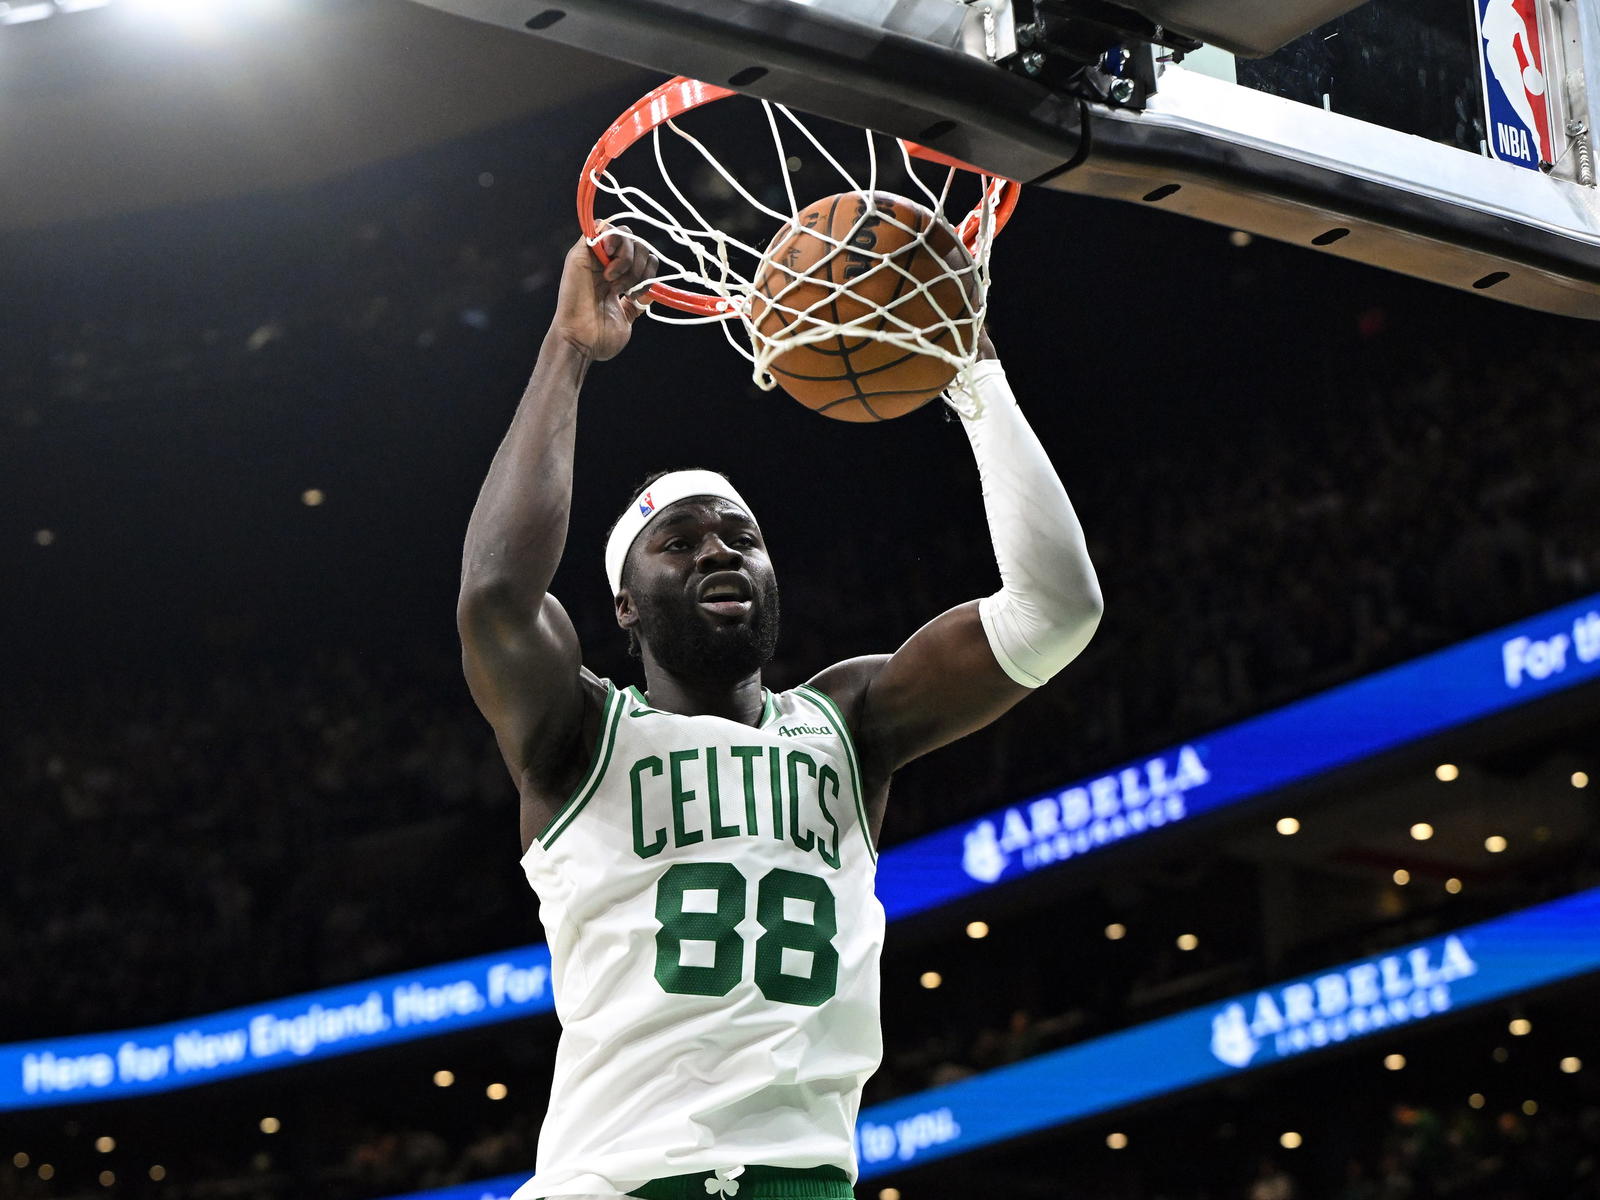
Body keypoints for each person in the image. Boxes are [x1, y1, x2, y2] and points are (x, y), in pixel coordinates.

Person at [456, 228, 1103, 1200]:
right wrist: (569, 351)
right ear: (624, 605)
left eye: (741, 536)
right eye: (678, 542)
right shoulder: (580, 735)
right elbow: (497, 599)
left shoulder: (850, 720)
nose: (720, 551)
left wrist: (972, 370)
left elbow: (1057, 612)